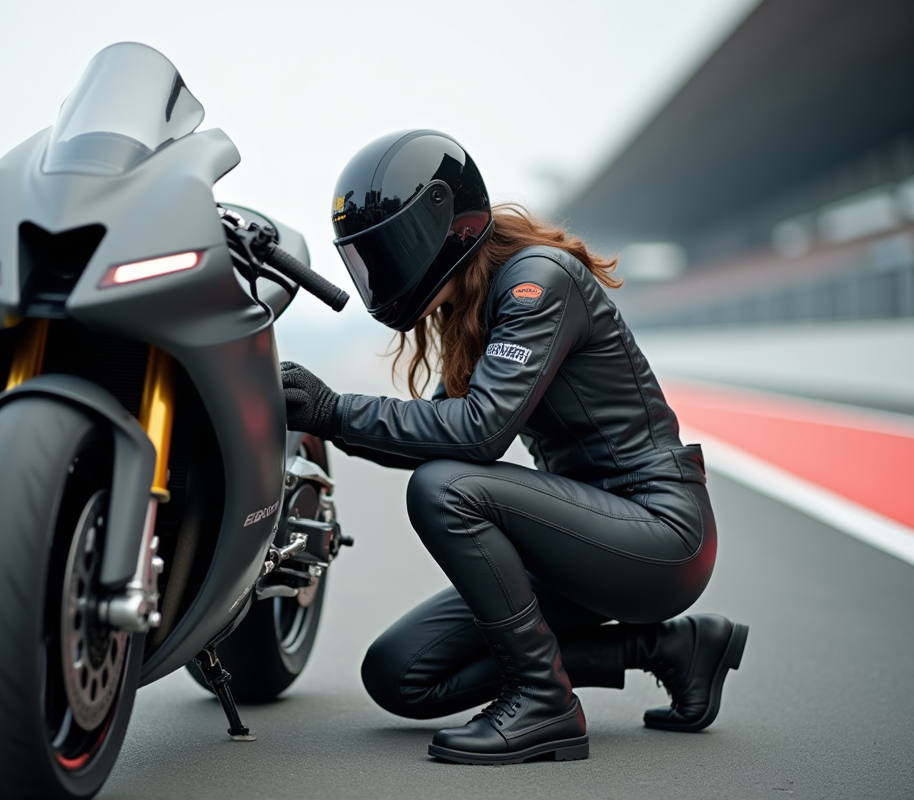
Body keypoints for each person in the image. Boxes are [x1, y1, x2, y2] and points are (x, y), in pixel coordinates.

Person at [280, 130, 748, 766]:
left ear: (441, 221)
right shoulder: (470, 303)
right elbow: (441, 428)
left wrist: (337, 410)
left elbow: (477, 432)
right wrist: (326, 419)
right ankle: (668, 649)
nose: (380, 270)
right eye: (366, 257)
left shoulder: (536, 280)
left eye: (388, 248)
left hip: (660, 535)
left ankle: (544, 704)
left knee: (443, 487)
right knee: (399, 676)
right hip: (579, 542)